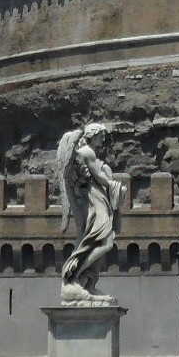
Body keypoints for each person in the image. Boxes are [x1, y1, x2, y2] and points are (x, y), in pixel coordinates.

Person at [58, 122, 123, 302]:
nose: (103, 138)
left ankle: (88, 283)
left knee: (100, 242)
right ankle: (75, 276)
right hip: (94, 201)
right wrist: (114, 185)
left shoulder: (88, 153)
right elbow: (100, 177)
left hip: (99, 199)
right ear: (92, 135)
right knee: (106, 242)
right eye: (101, 134)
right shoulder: (86, 152)